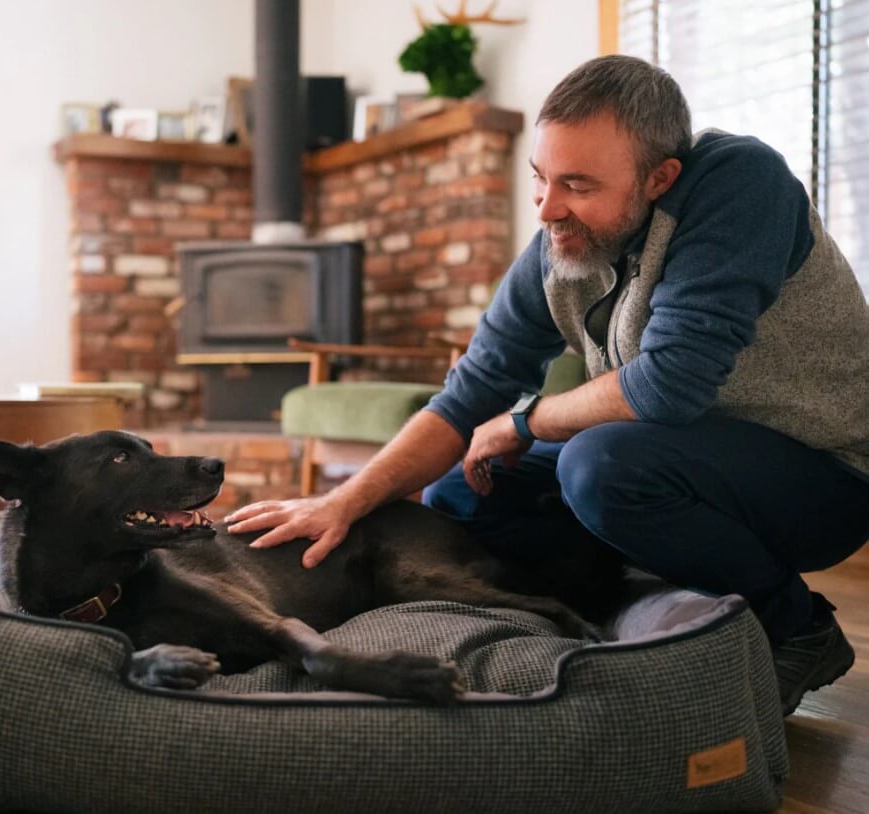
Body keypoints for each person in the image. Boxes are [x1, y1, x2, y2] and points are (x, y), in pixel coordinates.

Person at [224, 54, 869, 716]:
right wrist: (340, 504)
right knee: (464, 489)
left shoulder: (740, 183)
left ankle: (798, 626)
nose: (547, 207)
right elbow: (467, 394)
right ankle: (624, 600)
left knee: (601, 466)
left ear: (660, 179)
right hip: (678, 461)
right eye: (540, 178)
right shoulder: (562, 243)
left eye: (579, 185)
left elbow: (671, 384)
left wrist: (525, 421)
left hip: (822, 477)